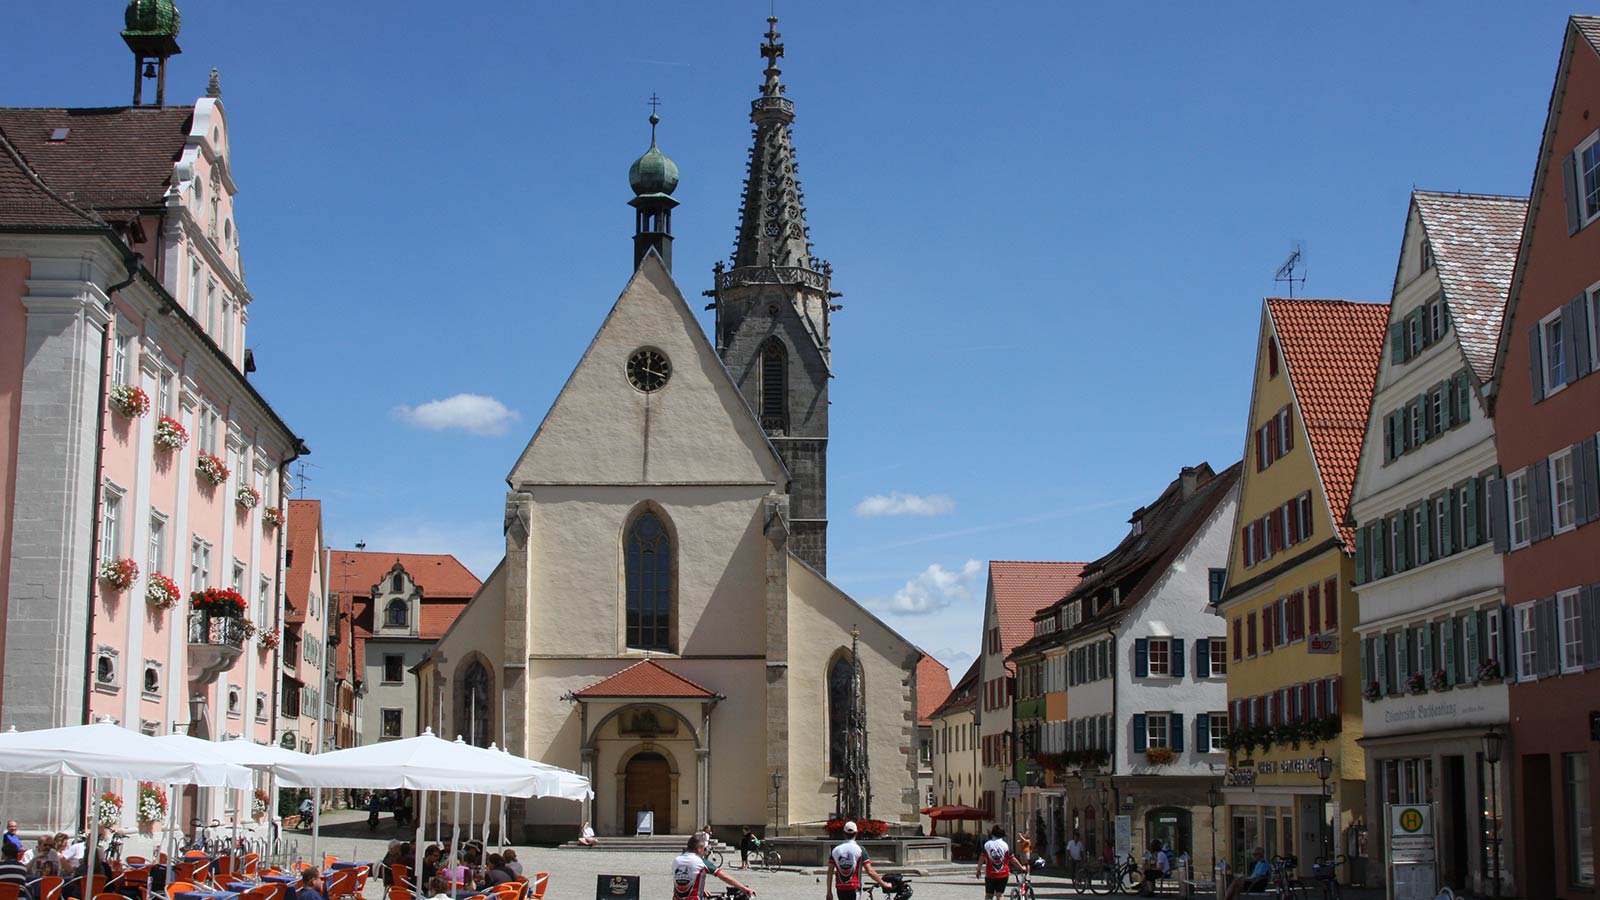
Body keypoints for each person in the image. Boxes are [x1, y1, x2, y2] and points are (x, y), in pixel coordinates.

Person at [672, 833, 755, 900]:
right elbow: (723, 876)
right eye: (704, 849)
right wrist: (744, 889)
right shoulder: (700, 861)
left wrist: (701, 890)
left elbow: (684, 878)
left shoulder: (677, 860)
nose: (705, 852)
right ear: (699, 849)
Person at [827, 821, 889, 900]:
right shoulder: (860, 849)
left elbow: (830, 872)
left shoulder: (835, 850)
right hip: (854, 886)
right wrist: (884, 884)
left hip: (840, 887)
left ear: (843, 833)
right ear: (856, 833)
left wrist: (829, 892)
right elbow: (870, 871)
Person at [978, 826, 1026, 900]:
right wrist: (1021, 867)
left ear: (992, 833)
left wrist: (978, 870)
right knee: (1000, 895)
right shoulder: (1005, 845)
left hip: (990, 874)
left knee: (988, 895)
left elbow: (981, 858)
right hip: (1003, 873)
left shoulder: (987, 845)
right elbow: (1012, 859)